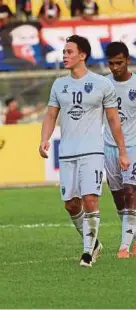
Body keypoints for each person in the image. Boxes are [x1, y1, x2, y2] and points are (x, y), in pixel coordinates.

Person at [39, 35, 129, 267]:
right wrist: (44, 139)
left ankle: (88, 252)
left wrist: (122, 151)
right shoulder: (59, 84)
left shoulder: (102, 84)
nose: (65, 56)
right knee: (71, 204)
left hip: (92, 151)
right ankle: (94, 242)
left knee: (91, 199)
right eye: (64, 52)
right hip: (67, 152)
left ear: (82, 55)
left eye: (69, 52)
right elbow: (51, 115)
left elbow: (113, 120)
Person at [103, 41, 136, 258]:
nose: (116, 68)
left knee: (131, 192)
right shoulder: (103, 85)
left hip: (133, 145)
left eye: (120, 63)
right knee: (118, 198)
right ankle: (132, 236)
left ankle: (124, 246)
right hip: (109, 147)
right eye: (112, 64)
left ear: (128, 60)